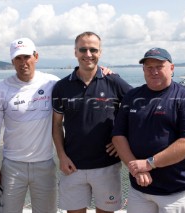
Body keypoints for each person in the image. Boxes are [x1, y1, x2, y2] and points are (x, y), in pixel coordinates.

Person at [112, 47, 185, 213]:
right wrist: (135, 168)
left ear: (171, 68)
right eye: (149, 67)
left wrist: (148, 164)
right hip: (139, 189)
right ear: (143, 70)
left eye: (159, 66)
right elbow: (118, 136)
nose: (154, 71)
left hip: (176, 190)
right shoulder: (132, 96)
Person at [52, 31, 132, 213]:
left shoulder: (114, 82)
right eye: (83, 49)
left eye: (93, 50)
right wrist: (61, 156)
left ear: (100, 52)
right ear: (75, 52)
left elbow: (136, 111)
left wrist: (120, 137)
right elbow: (56, 125)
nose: (88, 54)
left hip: (107, 166)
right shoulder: (61, 86)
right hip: (72, 166)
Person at [0, 37, 59, 213]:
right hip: (12, 166)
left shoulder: (53, 83)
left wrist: (103, 73)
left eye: (26, 56)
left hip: (45, 164)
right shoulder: (1, 89)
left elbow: (80, 85)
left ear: (36, 56)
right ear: (12, 61)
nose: (23, 62)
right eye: (18, 58)